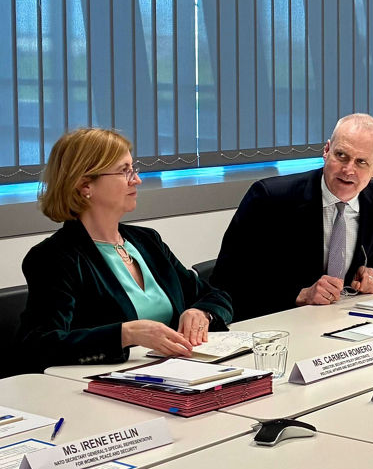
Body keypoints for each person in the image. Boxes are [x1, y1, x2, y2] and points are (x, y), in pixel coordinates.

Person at [12, 128, 233, 375]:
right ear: (85, 185)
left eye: (133, 169)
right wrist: (125, 334)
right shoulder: (54, 257)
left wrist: (202, 312)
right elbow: (38, 346)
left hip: (178, 374)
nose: (136, 180)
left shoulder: (147, 241)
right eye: (124, 171)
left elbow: (216, 296)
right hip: (99, 385)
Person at [211, 113, 373, 321]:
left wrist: (372, 279)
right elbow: (225, 282)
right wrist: (299, 295)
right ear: (326, 151)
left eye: (361, 162)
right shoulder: (270, 199)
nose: (348, 170)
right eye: (341, 155)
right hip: (280, 323)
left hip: (345, 320)